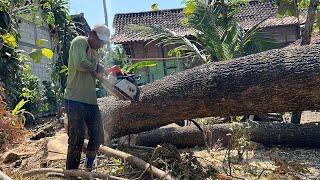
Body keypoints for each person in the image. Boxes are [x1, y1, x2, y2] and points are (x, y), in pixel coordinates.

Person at [64, 24, 109, 172]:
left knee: (97, 136)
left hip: (90, 100)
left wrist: (104, 73)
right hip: (75, 99)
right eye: (100, 41)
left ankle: (88, 167)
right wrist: (96, 67)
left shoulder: (95, 53)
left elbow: (94, 70)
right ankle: (71, 172)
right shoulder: (79, 42)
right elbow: (80, 64)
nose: (100, 45)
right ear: (91, 34)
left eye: (103, 43)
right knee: (76, 138)